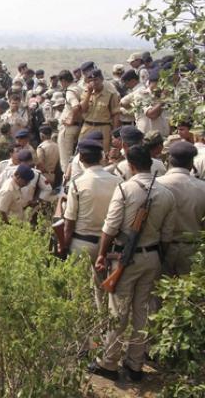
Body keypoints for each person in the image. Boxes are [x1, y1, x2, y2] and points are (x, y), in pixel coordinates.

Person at [90, 144, 176, 382]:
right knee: (142, 311)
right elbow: (167, 236)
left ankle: (108, 362)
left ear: (130, 164)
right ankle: (135, 364)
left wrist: (101, 254)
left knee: (118, 312)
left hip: (126, 259)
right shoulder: (167, 193)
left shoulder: (126, 189)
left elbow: (111, 226)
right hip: (153, 257)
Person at [60, 139, 120, 312]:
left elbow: (69, 220)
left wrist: (64, 245)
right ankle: (102, 327)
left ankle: (83, 329)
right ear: (102, 157)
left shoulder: (78, 183)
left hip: (81, 243)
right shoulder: (116, 181)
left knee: (77, 292)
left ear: (81, 159)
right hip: (108, 244)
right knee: (103, 291)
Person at [156, 142, 205, 275]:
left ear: (170, 161)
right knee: (189, 291)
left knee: (160, 291)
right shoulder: (202, 187)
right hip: (192, 250)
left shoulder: (156, 185)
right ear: (191, 164)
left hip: (161, 248)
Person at [80, 69, 121, 154]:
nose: (93, 83)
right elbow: (83, 109)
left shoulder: (111, 94)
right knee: (83, 152)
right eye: (91, 80)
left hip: (103, 128)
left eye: (96, 80)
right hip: (87, 126)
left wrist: (115, 134)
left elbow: (116, 115)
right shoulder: (86, 93)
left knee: (103, 154)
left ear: (102, 79)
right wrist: (89, 94)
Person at [58, 70, 83, 172]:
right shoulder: (79, 88)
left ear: (63, 80)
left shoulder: (70, 91)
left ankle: (67, 183)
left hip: (69, 128)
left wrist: (70, 119)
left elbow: (76, 105)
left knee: (66, 159)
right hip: (78, 126)